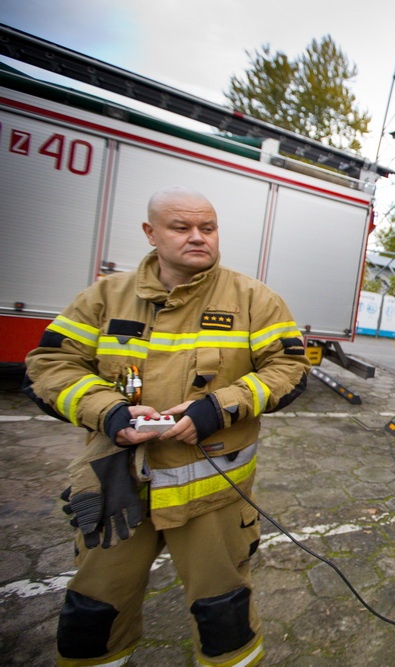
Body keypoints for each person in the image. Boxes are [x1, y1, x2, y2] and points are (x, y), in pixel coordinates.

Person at [23, 186, 311, 666]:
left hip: (211, 497)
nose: (198, 237)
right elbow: (51, 364)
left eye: (208, 228)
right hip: (116, 485)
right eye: (182, 228)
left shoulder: (253, 299)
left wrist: (217, 408)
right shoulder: (105, 296)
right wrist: (109, 412)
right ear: (150, 233)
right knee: (93, 615)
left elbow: (289, 369)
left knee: (225, 618)